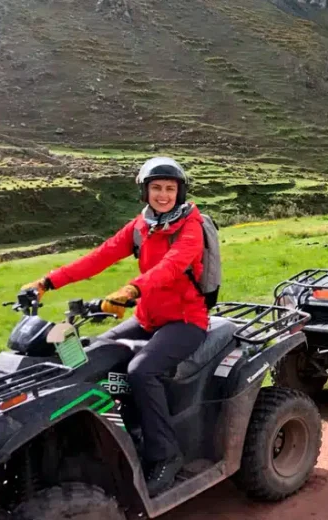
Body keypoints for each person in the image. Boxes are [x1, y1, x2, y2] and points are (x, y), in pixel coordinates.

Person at [21, 157, 207, 496]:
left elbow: (172, 266)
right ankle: (122, 430)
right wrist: (47, 282)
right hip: (147, 319)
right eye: (156, 188)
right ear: (144, 191)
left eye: (170, 189)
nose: (163, 195)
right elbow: (100, 256)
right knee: (93, 356)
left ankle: (166, 455)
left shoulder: (190, 227)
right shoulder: (141, 226)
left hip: (185, 322)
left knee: (141, 370)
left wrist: (131, 290)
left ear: (180, 193)